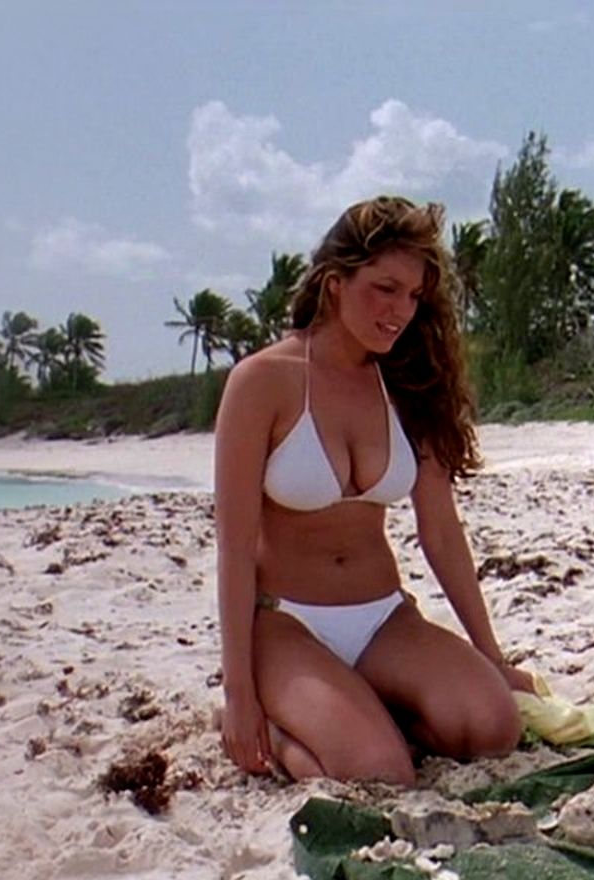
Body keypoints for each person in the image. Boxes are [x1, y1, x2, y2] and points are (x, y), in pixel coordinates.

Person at [212, 197, 531, 783]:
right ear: (335, 282)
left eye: (413, 296)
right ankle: (287, 734)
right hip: (287, 622)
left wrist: (493, 658)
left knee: (493, 726)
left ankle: (360, 709)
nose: (400, 311)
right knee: (382, 774)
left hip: (382, 617)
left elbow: (441, 532)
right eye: (385, 289)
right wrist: (239, 695)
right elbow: (233, 548)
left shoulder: (408, 385)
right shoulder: (261, 382)